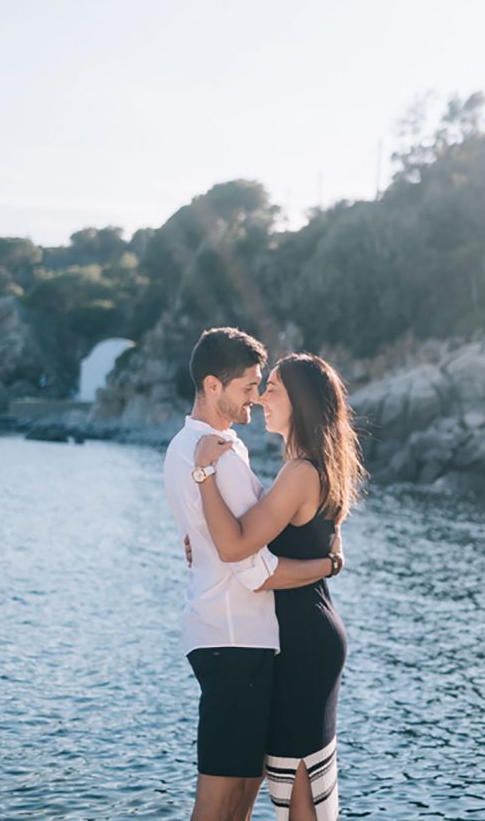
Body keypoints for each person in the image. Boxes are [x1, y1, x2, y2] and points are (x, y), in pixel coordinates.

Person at [164, 328, 342, 821]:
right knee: (228, 798)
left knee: (246, 791)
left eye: (266, 388)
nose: (257, 396)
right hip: (235, 637)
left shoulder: (215, 449)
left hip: (253, 639)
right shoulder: (211, 452)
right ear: (213, 385)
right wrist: (326, 565)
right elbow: (249, 564)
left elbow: (235, 543)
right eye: (249, 386)